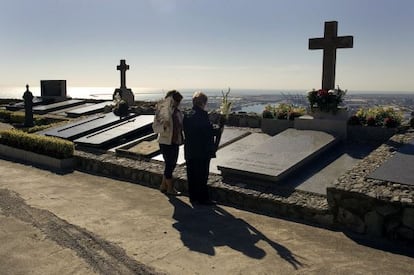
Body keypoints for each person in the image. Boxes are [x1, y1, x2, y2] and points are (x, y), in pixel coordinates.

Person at [183, 91, 218, 205]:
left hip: (190, 149)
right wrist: (217, 129)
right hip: (202, 151)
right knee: (202, 175)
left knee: (191, 174)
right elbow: (207, 132)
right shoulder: (203, 115)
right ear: (203, 103)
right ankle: (203, 198)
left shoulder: (187, 114)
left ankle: (193, 197)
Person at [153, 90, 184, 195]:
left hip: (175, 141)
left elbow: (180, 125)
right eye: (177, 101)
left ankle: (163, 185)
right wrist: (164, 126)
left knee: (170, 164)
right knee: (170, 165)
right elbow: (155, 128)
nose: (178, 103)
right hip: (165, 142)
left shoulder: (178, 112)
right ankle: (170, 188)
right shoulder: (161, 111)